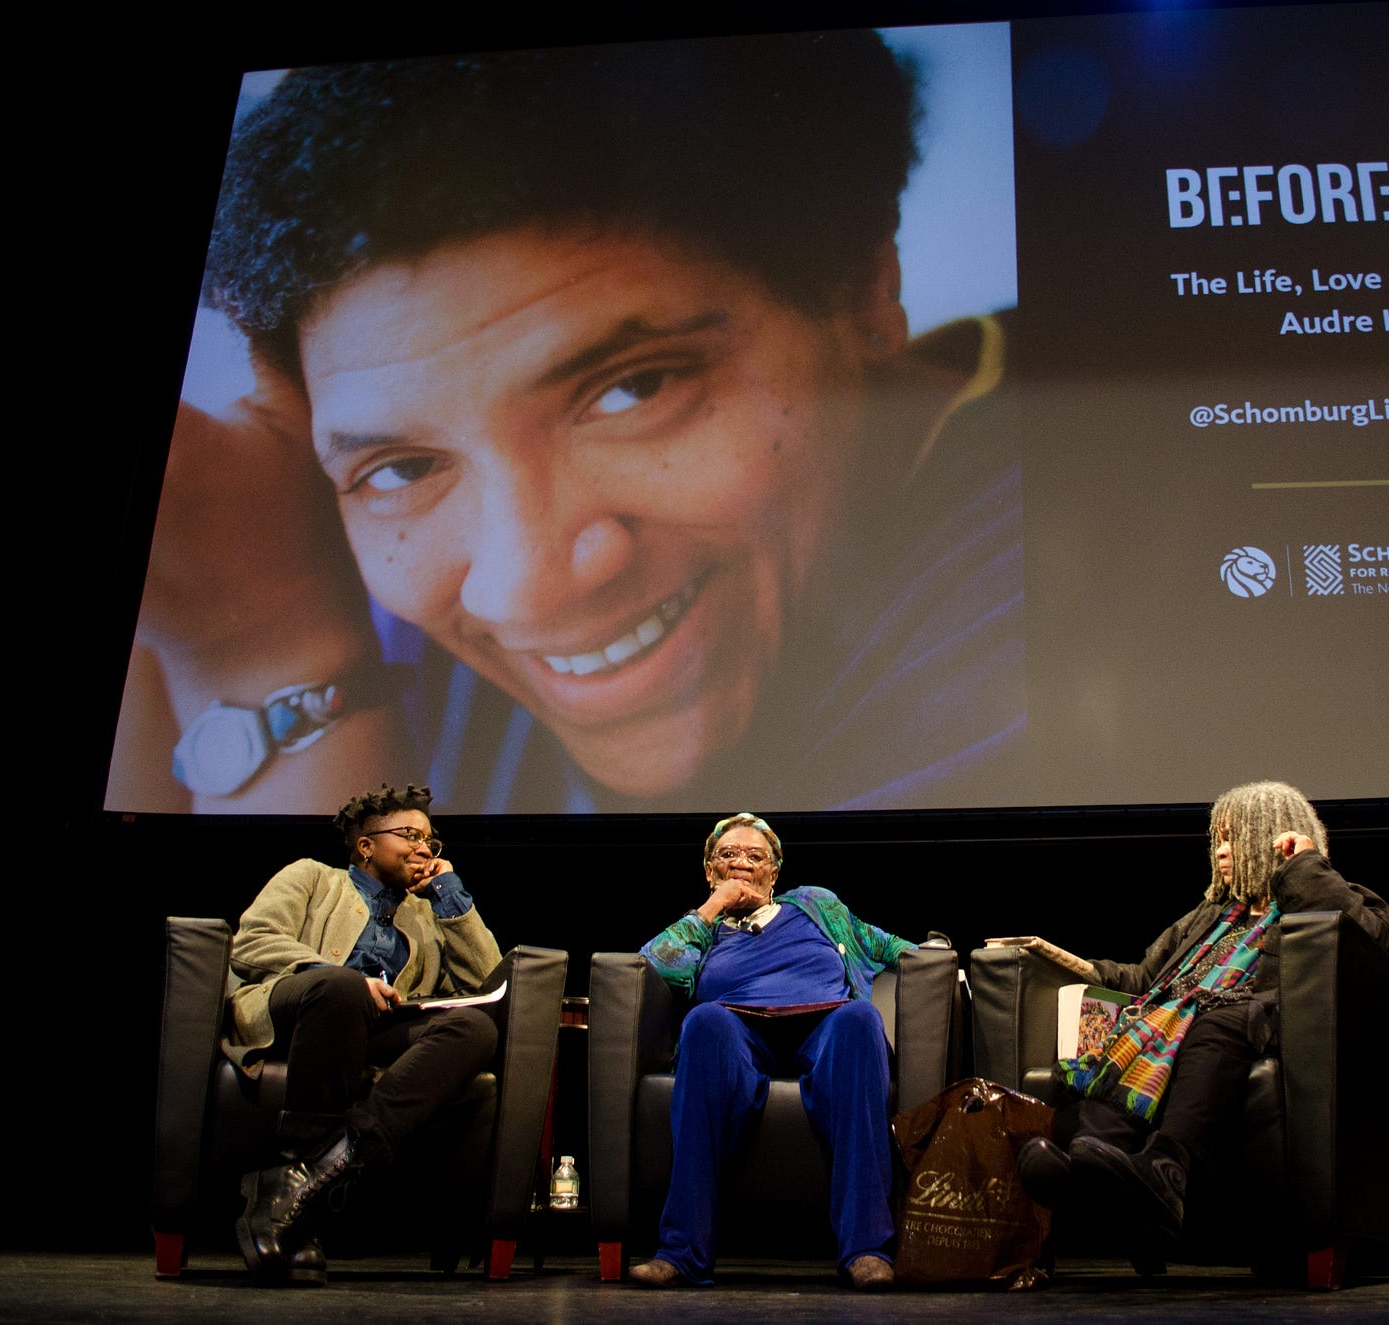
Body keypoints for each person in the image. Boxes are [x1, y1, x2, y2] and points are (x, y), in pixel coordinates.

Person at [111, 31, 1024, 818]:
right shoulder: (342, 572)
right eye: (402, 467)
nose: (525, 590)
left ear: (863, 288)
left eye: (634, 390)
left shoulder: (1075, 568)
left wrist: (267, 656)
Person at [1019, 781, 1389, 1266]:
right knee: (1133, 1036)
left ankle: (1166, 1169)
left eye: (1233, 838)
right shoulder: (1209, 916)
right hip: (1178, 1022)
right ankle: (1092, 1176)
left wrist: (1302, 867)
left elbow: (1370, 939)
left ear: (1270, 840)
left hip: (1255, 1022)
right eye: (1215, 838)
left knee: (1210, 1024)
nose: (1218, 851)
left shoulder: (1323, 897)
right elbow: (1145, 976)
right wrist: (1070, 964)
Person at [228, 782, 503, 1284]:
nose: (424, 848)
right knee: (339, 989)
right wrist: (338, 977)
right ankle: (305, 1186)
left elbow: (486, 980)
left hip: (375, 1027)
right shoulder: (312, 878)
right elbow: (253, 942)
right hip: (298, 1010)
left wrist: (450, 897)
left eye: (430, 840)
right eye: (409, 835)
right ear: (366, 846)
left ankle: (304, 1183)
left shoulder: (424, 913)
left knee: (474, 1027)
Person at [630, 813, 914, 1289]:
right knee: (702, 1020)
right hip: (736, 1031)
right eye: (728, 855)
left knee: (862, 1019)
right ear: (709, 870)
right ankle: (682, 1251)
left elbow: (886, 945)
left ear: (774, 873)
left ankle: (866, 1250)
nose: (741, 862)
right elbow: (652, 965)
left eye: (754, 856)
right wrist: (714, 907)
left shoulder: (815, 905)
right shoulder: (704, 929)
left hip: (826, 1024)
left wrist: (940, 954)